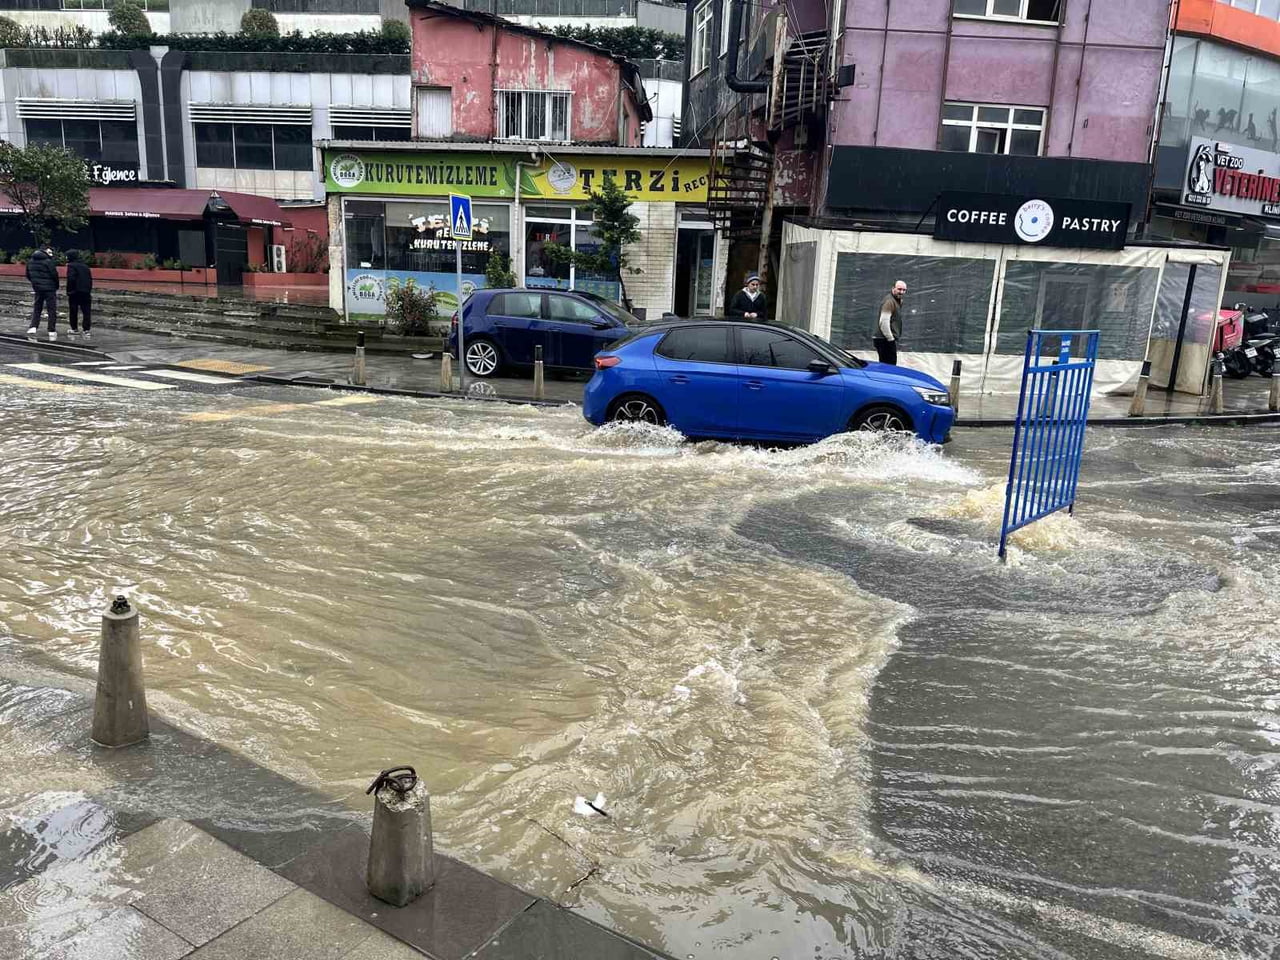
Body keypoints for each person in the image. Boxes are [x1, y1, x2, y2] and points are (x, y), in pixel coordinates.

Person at [25, 245, 59, 342]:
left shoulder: (30, 261)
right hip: (50, 289)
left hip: (38, 288)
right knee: (51, 309)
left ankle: (33, 327)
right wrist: (55, 286)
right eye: (50, 252)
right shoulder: (48, 262)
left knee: (37, 307)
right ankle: (51, 330)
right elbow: (54, 275)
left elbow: (28, 275)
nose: (51, 254)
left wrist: (35, 283)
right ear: (44, 252)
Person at [873, 280, 907, 366]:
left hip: (885, 339)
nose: (901, 292)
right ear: (893, 289)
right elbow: (883, 322)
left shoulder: (897, 301)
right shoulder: (889, 301)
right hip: (884, 339)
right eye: (899, 289)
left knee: (887, 365)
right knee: (889, 367)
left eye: (904, 290)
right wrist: (890, 339)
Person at [66, 250, 93, 342]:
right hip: (86, 291)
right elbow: (90, 279)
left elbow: (71, 279)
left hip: (75, 292)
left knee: (73, 311)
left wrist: (69, 291)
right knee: (86, 311)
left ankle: (74, 328)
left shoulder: (71, 266)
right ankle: (86, 330)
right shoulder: (85, 266)